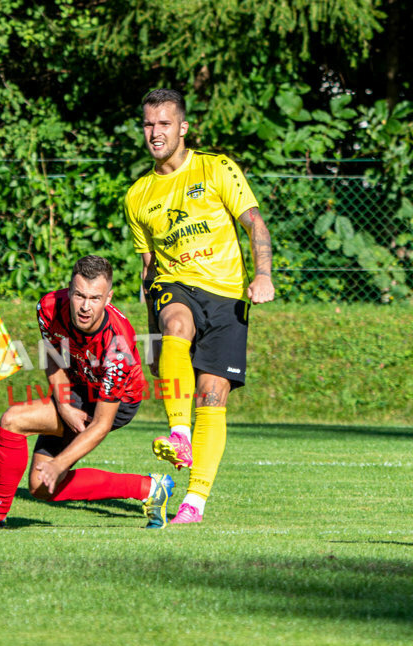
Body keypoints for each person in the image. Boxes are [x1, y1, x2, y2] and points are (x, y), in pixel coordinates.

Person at [125, 88, 275, 524]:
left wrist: (262, 275)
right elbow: (148, 269)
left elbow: (254, 223)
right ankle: (178, 433)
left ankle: (195, 502)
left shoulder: (216, 168)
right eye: (149, 124)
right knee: (175, 324)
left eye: (164, 124)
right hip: (177, 285)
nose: (155, 133)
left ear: (182, 128)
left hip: (228, 297)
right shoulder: (138, 195)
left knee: (213, 395)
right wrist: (152, 334)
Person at [0, 256, 174, 530]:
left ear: (108, 298)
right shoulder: (48, 307)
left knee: (14, 420)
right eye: (79, 295)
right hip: (78, 385)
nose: (85, 307)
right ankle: (150, 488)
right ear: (69, 291)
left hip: (117, 403)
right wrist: (63, 406)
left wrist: (60, 463)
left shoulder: (117, 345)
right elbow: (53, 356)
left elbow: (101, 425)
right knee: (40, 487)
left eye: (95, 298)